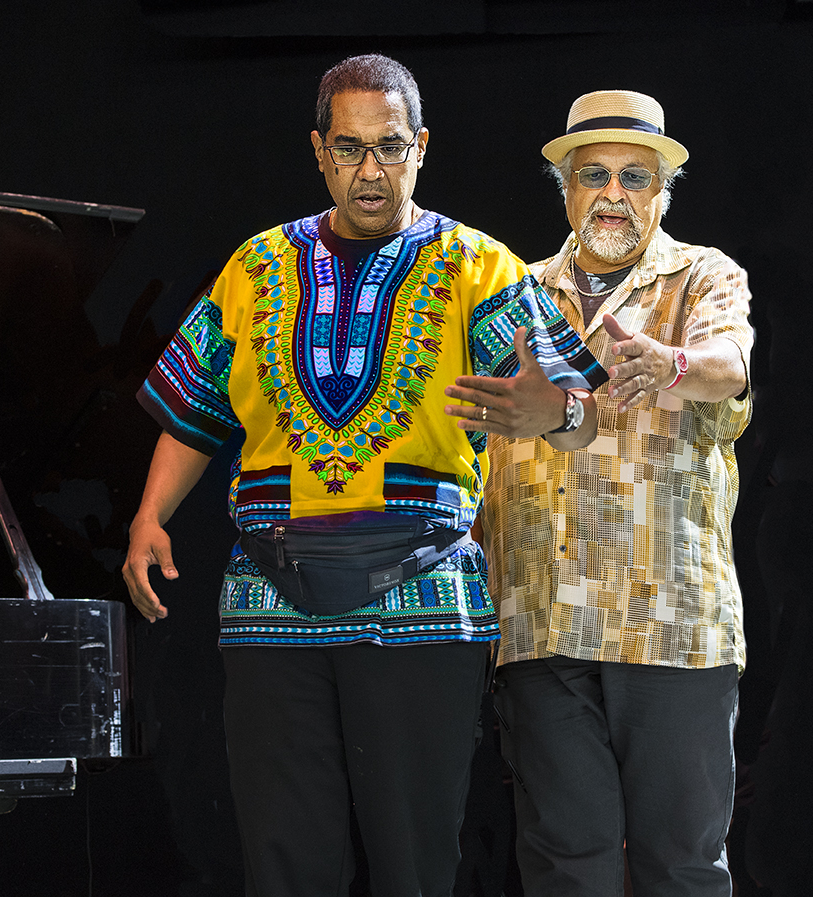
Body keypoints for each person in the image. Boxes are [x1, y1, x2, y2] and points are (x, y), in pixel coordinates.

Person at [122, 54, 605, 897]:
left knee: (414, 866)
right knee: (284, 866)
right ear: (318, 151)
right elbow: (198, 410)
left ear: (421, 147)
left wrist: (553, 414)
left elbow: (575, 407)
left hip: (421, 601)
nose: (371, 172)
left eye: (390, 148)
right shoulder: (257, 266)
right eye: (350, 149)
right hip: (268, 602)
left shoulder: (475, 267)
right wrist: (149, 514)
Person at [471, 90, 754, 896]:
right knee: (563, 865)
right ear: (564, 187)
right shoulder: (512, 295)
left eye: (636, 176)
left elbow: (728, 364)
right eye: (593, 173)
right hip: (543, 620)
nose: (613, 193)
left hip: (671, 626)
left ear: (662, 192)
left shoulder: (703, 275)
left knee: (682, 867)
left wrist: (667, 364)